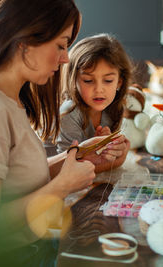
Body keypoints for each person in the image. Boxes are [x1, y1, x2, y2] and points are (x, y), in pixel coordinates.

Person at [0, 0, 128, 265]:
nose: (65, 58)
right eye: (61, 45)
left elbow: (18, 176)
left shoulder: (6, 98)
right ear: (25, 40)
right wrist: (62, 186)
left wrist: (85, 157)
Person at [54, 33, 131, 171]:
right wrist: (119, 160)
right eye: (88, 81)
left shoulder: (113, 109)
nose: (99, 90)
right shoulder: (68, 113)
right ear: (74, 81)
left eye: (108, 81)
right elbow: (67, 168)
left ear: (119, 82)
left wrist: (110, 148)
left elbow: (97, 158)